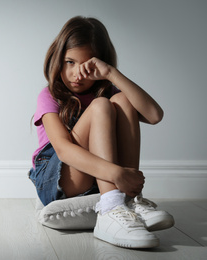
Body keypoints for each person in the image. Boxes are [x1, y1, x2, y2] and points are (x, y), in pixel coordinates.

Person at [28, 16, 174, 248]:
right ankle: (111, 210)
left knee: (122, 100)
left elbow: (154, 115)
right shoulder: (50, 95)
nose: (77, 74)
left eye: (86, 66)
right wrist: (117, 173)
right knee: (101, 106)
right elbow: (64, 151)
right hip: (56, 180)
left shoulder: (107, 89)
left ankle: (128, 200)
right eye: (70, 62)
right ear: (57, 59)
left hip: (98, 178)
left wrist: (111, 74)